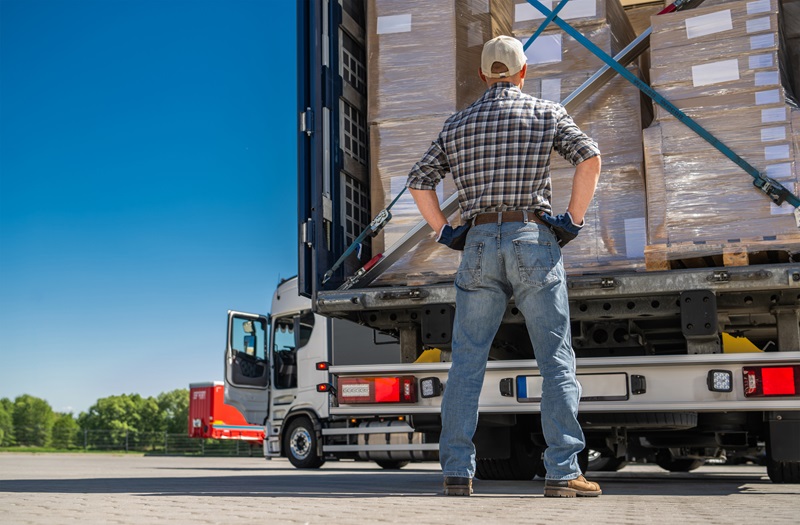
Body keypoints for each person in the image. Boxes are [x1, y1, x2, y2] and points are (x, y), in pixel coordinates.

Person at [406, 35, 602, 498]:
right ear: (522, 72)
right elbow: (590, 158)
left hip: (476, 243)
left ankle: (457, 471)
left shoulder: (457, 125)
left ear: (481, 75)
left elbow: (419, 181)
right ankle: (562, 471)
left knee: (467, 362)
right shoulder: (546, 113)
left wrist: (444, 230)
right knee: (554, 359)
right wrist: (571, 221)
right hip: (531, 237)